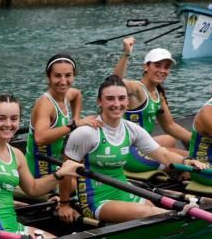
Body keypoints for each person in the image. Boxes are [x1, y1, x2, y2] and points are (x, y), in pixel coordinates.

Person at [58, 76, 190, 225]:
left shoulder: (131, 129)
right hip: (96, 199)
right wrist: (64, 204)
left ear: (127, 102)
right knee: (153, 214)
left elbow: (163, 155)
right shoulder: (86, 133)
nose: (116, 104)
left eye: (121, 98)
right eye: (110, 99)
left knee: (153, 209)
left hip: (123, 189)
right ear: (99, 102)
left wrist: (188, 163)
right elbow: (65, 171)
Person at [0, 94, 80, 239]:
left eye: (14, 119)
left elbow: (33, 188)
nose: (8, 124)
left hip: (14, 228)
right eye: (1, 118)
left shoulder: (16, 154)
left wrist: (60, 174)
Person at [111, 39, 193, 165]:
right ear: (146, 66)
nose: (162, 70)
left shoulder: (158, 92)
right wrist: (126, 53)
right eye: (157, 65)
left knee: (170, 140)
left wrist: (199, 141)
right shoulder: (137, 88)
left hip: (142, 145)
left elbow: (170, 126)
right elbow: (115, 82)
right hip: (128, 150)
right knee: (189, 159)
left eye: (166, 67)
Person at [26, 53, 90, 179]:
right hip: (38, 174)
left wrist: (76, 118)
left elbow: (77, 95)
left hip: (55, 167)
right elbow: (40, 138)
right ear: (48, 77)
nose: (63, 81)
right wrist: (73, 125)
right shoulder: (45, 104)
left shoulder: (66, 95)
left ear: (74, 76)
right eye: (57, 76)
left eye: (68, 76)